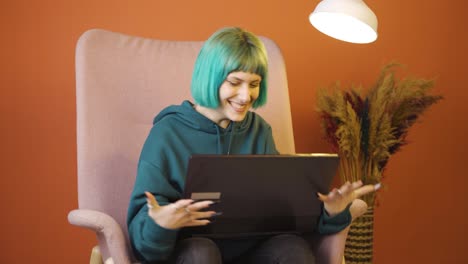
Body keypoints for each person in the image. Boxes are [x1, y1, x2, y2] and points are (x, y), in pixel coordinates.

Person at [127, 27, 377, 264]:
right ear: (210, 78)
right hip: (192, 251)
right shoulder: (167, 133)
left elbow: (289, 212)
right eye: (235, 82)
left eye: (254, 84)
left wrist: (331, 211)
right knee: (201, 253)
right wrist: (160, 224)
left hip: (251, 248)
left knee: (292, 248)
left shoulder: (259, 131)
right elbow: (142, 245)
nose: (246, 96)